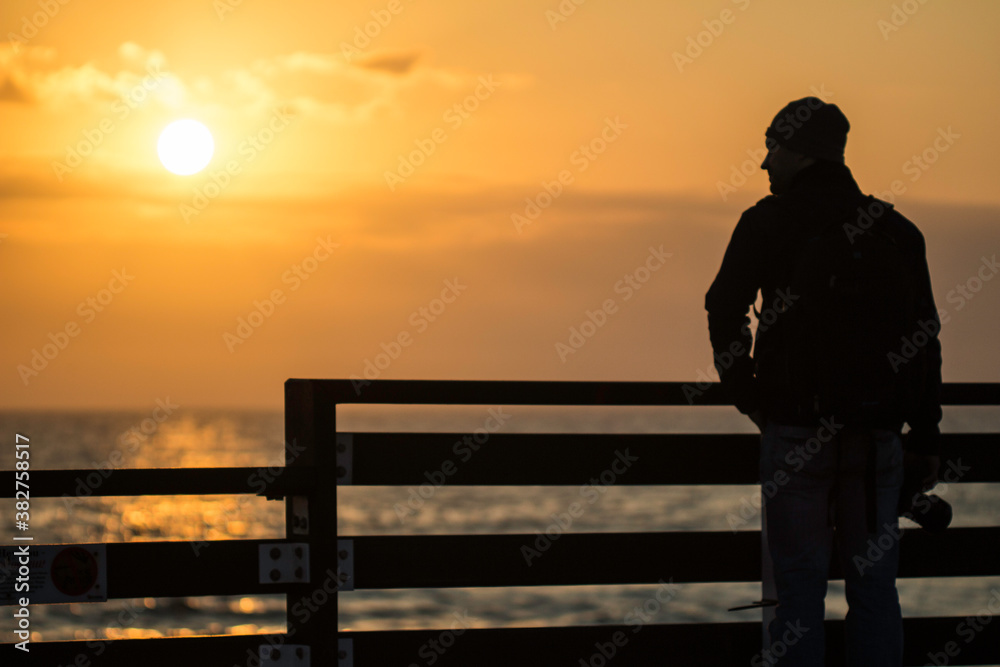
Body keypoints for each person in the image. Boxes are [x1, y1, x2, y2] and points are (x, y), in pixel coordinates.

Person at [704, 97, 943, 665]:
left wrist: (752, 399)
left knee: (797, 593)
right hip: (878, 438)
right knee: (876, 593)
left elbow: (723, 309)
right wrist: (926, 435)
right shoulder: (896, 230)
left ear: (801, 152)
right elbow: (924, 338)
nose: (764, 162)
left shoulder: (766, 223)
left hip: (795, 433)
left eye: (772, 146)